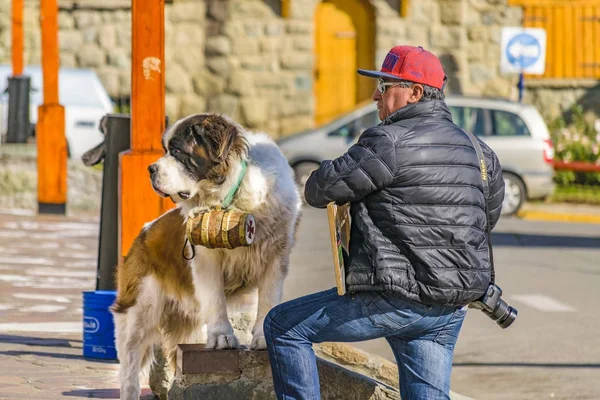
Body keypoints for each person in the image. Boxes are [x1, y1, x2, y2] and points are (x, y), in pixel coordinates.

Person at [263, 45, 505, 400]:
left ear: (415, 93)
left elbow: (319, 189)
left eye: (386, 85)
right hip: (450, 307)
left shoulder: (387, 141)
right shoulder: (480, 150)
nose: (376, 95)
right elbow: (487, 218)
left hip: (395, 300)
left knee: (283, 326)